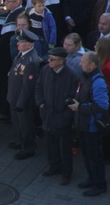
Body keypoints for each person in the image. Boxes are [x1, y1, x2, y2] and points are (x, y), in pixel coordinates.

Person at [36, 46, 79, 185]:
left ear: (61, 61)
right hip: (48, 114)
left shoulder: (72, 76)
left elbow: (75, 98)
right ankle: (54, 166)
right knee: (51, 144)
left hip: (62, 117)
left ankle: (66, 173)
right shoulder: (45, 70)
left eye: (52, 59)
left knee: (65, 147)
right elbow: (39, 87)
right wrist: (41, 104)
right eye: (49, 58)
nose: (49, 61)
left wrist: (66, 116)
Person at [70, 51, 110, 196]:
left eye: (84, 62)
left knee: (95, 156)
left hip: (92, 126)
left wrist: (80, 107)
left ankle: (99, 184)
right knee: (87, 154)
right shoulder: (86, 76)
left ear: (92, 65)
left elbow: (102, 106)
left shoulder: (98, 81)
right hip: (83, 123)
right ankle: (92, 179)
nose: (80, 64)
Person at [8, 30, 41, 160]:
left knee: (25, 124)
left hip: (22, 100)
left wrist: (21, 102)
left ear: (29, 45)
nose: (18, 44)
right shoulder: (22, 54)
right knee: (17, 122)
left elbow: (28, 86)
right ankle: (19, 140)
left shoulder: (31, 60)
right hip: (14, 96)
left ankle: (28, 148)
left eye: (21, 42)